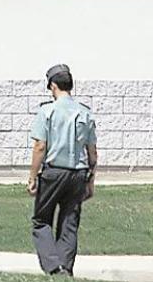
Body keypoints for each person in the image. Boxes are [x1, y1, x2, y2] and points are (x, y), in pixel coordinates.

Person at [28, 64, 98, 277]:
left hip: (53, 172)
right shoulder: (85, 113)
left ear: (53, 85)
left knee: (41, 220)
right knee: (69, 222)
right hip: (78, 173)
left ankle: (53, 266)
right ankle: (65, 268)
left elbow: (40, 146)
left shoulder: (47, 111)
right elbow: (92, 153)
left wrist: (32, 175)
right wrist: (91, 181)